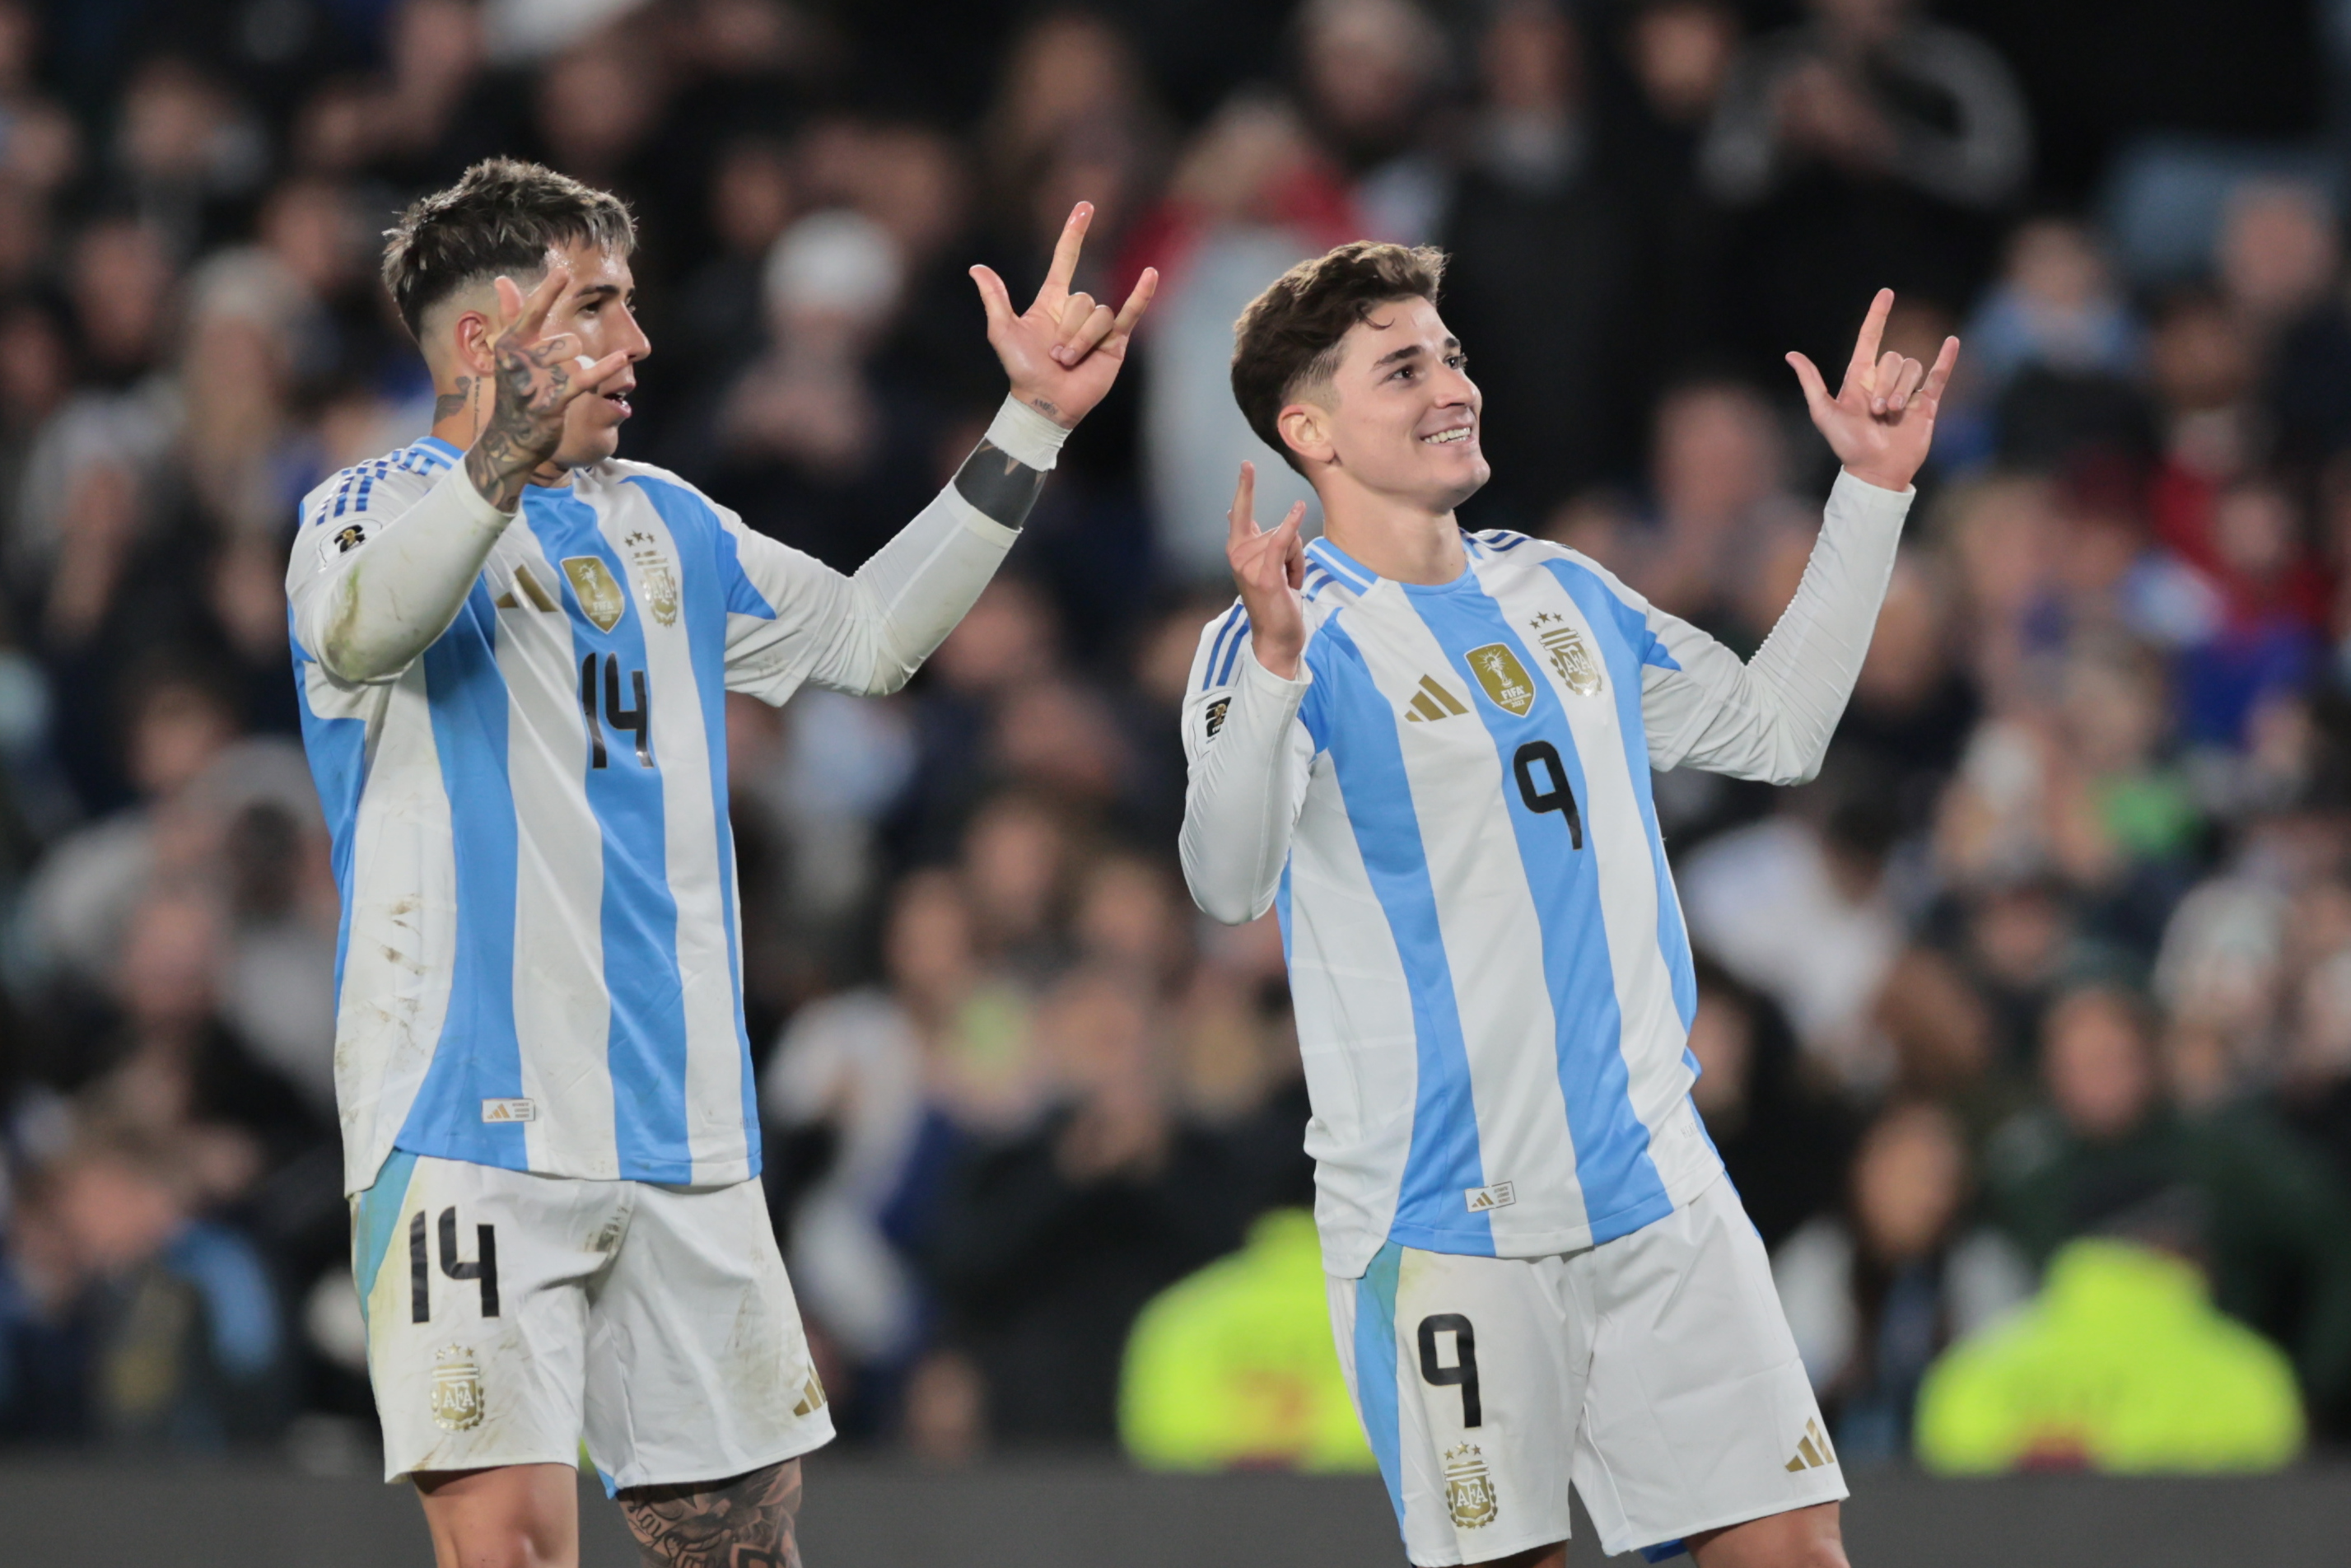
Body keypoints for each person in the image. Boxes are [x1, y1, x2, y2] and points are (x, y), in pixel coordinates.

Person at [282, 157, 1153, 1568]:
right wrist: (496, 456)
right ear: (486, 336)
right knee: (512, 1551)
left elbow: (870, 639)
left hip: (685, 1128)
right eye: (601, 307)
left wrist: (1032, 426)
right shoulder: (369, 503)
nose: (637, 345)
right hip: (470, 1122)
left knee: (742, 1552)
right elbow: (359, 633)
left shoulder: (667, 521)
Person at [1180, 242, 1957, 1567]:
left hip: (1657, 1190)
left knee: (1796, 1554)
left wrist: (1870, 494)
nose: (1453, 386)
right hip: (1446, 1227)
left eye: (1455, 356)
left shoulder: (1564, 588)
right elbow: (1227, 879)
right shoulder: (1287, 630)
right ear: (1306, 427)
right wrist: (1267, 674)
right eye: (1405, 367)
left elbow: (1776, 733)